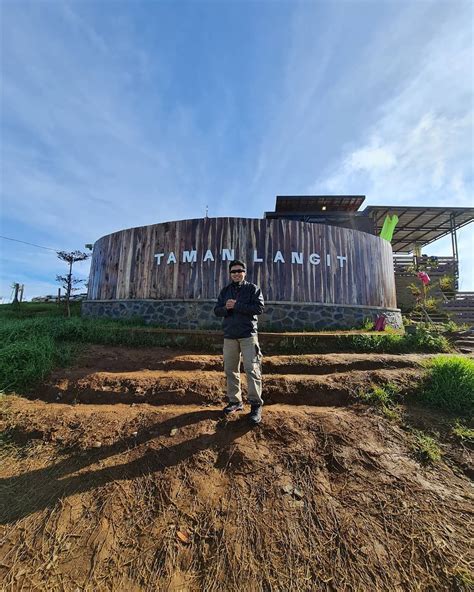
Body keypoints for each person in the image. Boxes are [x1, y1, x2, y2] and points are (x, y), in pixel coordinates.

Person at [214, 259, 264, 424]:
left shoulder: (253, 289)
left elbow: (258, 309)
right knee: (230, 370)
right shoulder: (225, 290)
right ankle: (235, 402)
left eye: (239, 271)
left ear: (244, 272)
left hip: (248, 335)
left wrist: (237, 305)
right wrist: (226, 308)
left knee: (252, 370)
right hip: (230, 336)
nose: (236, 274)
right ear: (230, 274)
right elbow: (217, 311)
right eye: (233, 271)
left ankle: (256, 405)